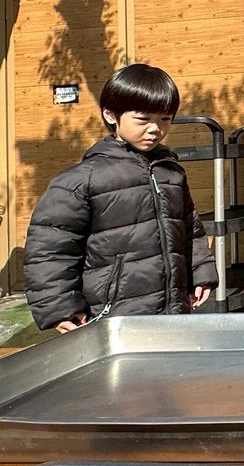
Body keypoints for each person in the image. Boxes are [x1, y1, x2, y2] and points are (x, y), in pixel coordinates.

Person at [24, 64, 217, 332]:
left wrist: (201, 273)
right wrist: (59, 308)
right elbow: (50, 248)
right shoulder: (82, 179)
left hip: (173, 311)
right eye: (143, 119)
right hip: (113, 316)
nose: (155, 129)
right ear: (111, 115)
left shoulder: (171, 172)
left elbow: (189, 229)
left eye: (165, 119)